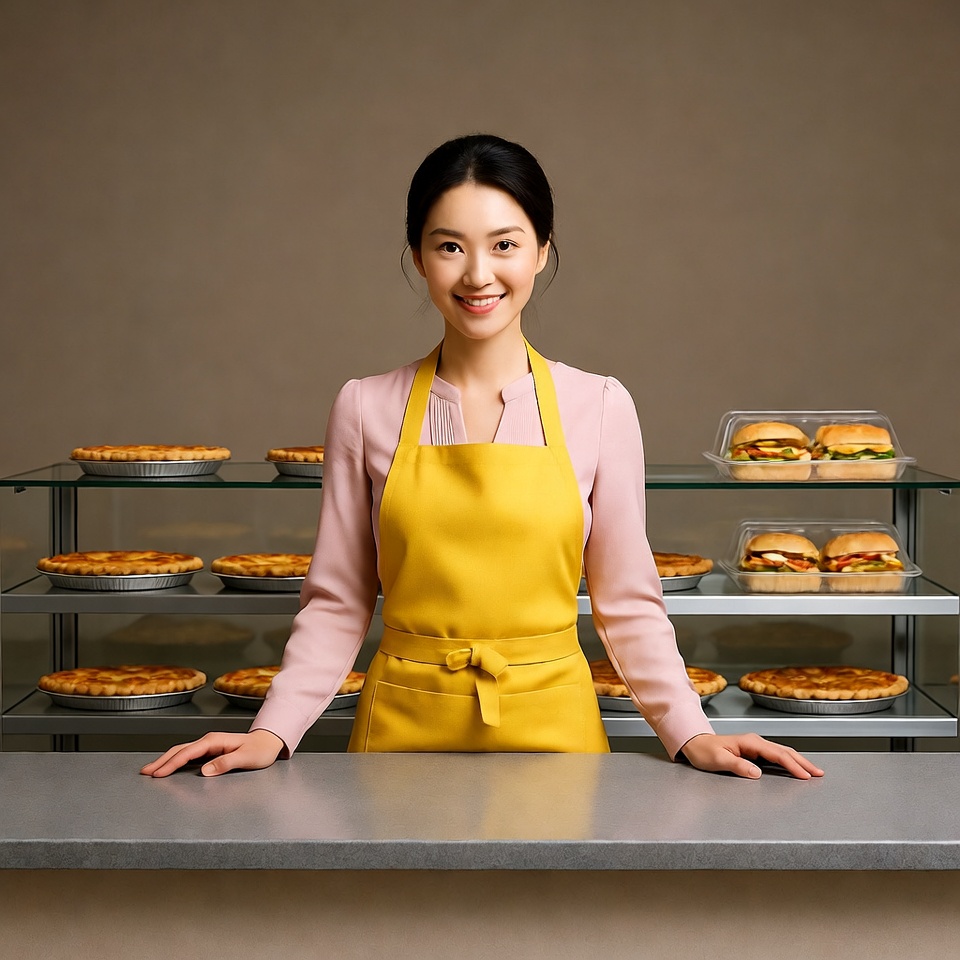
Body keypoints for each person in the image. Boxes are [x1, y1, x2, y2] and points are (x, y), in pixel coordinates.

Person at [142, 134, 824, 780]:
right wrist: (272, 732)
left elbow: (627, 601)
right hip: (402, 730)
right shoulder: (363, 406)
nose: (478, 274)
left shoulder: (601, 405)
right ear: (418, 257)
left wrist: (691, 732)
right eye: (449, 247)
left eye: (504, 244)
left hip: (557, 731)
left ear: (542, 251)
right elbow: (340, 600)